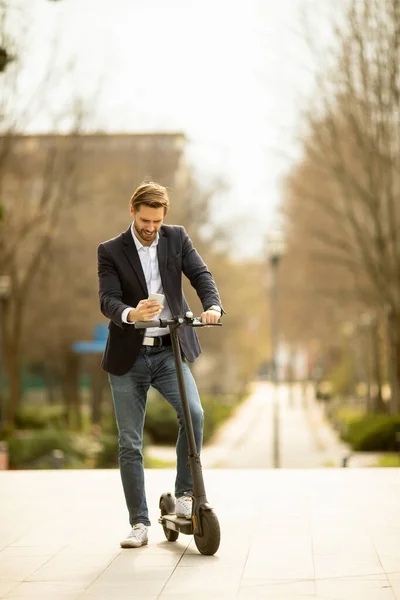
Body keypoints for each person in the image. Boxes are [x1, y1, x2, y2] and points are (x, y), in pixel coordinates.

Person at [97, 181, 223, 548]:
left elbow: (201, 276)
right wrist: (131, 313)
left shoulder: (177, 238)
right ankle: (139, 523)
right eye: (145, 220)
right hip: (128, 356)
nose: (150, 228)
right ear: (132, 211)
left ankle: (185, 496)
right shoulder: (110, 250)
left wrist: (212, 306)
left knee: (195, 415)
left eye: (157, 221)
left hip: (169, 350)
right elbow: (107, 298)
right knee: (130, 442)